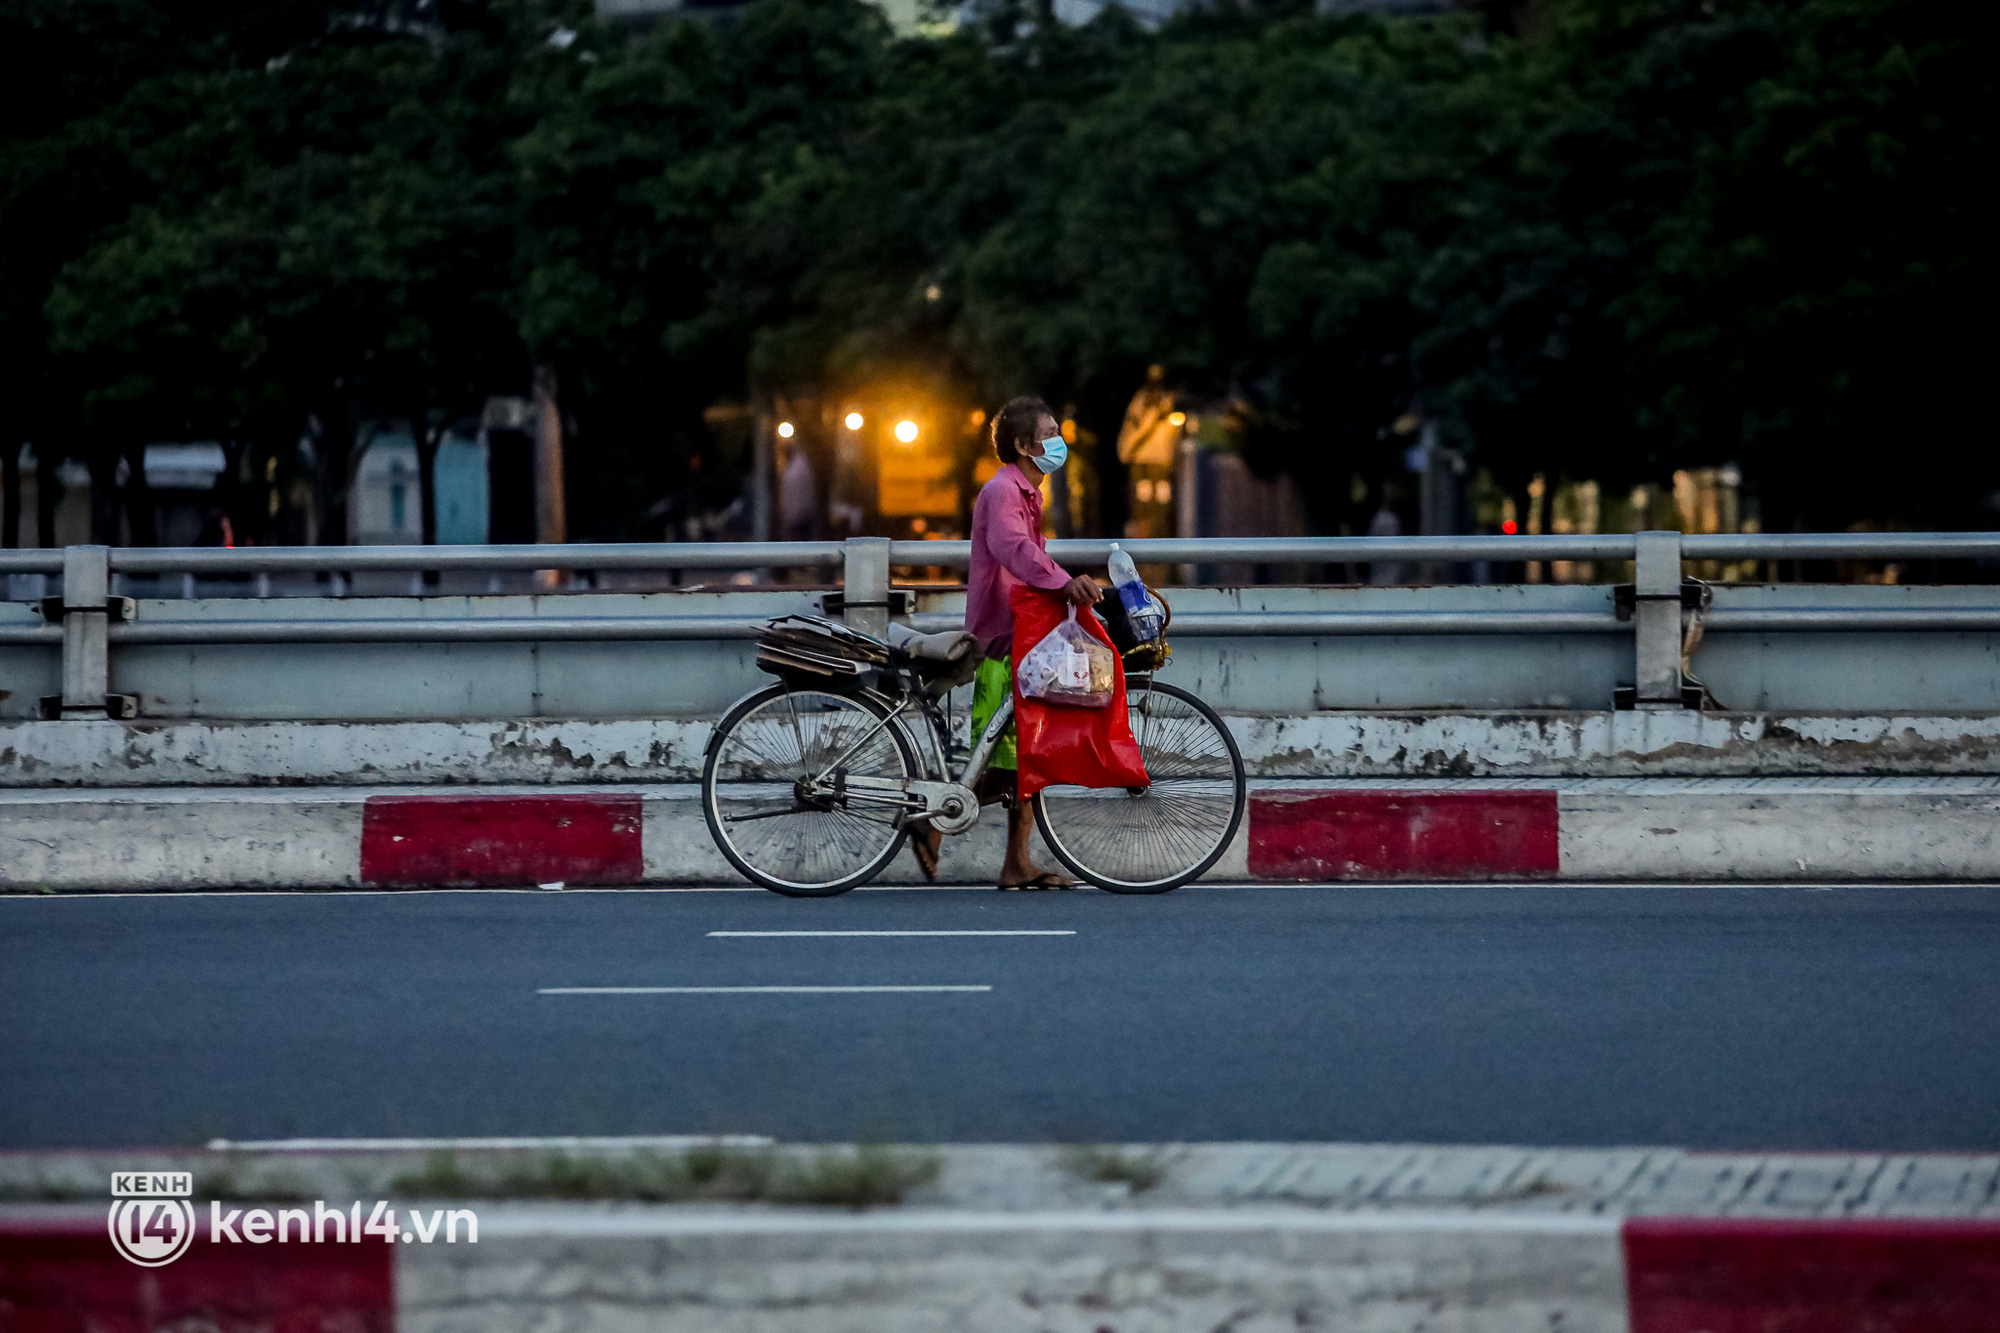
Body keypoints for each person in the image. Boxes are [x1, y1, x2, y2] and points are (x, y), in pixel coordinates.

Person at [914, 395, 1102, 890]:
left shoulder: (1027, 494)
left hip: (1026, 636)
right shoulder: (1003, 491)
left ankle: (1015, 862)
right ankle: (934, 821)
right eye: (1050, 435)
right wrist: (1063, 581)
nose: (1058, 444)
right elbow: (1012, 549)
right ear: (1023, 445)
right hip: (1002, 641)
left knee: (1023, 752)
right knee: (1007, 754)